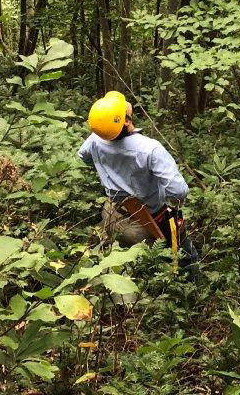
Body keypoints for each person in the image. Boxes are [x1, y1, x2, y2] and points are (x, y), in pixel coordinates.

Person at [77, 91, 199, 277]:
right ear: (126, 120)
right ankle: (189, 290)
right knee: (185, 254)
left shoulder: (96, 139)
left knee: (122, 264)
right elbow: (179, 191)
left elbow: (83, 156)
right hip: (146, 221)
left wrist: (107, 166)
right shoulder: (149, 149)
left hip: (111, 213)